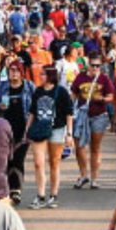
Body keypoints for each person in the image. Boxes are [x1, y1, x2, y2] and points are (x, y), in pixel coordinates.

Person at [24, 66, 74, 209]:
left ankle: (53, 195)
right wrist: (27, 130)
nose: (40, 76)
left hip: (57, 129)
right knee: (38, 162)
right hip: (39, 128)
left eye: (43, 74)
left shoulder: (61, 91)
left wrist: (69, 133)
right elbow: (32, 111)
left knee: (54, 162)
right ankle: (40, 195)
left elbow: (69, 113)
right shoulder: (38, 91)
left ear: (51, 75)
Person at [0, 61, 33, 205]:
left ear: (22, 72)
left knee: (18, 159)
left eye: (16, 70)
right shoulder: (2, 87)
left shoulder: (29, 86)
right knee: (7, 160)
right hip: (5, 129)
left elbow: (34, 106)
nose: (13, 73)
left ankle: (16, 190)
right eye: (11, 70)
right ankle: (8, 189)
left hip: (24, 129)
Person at [70, 55, 115, 189]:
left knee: (95, 147)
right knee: (79, 146)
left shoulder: (104, 79)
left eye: (98, 66)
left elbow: (111, 96)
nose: (95, 68)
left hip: (98, 116)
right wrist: (69, 108)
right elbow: (73, 93)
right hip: (82, 115)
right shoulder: (81, 77)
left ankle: (94, 178)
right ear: (88, 65)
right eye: (93, 65)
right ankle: (84, 175)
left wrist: (102, 99)